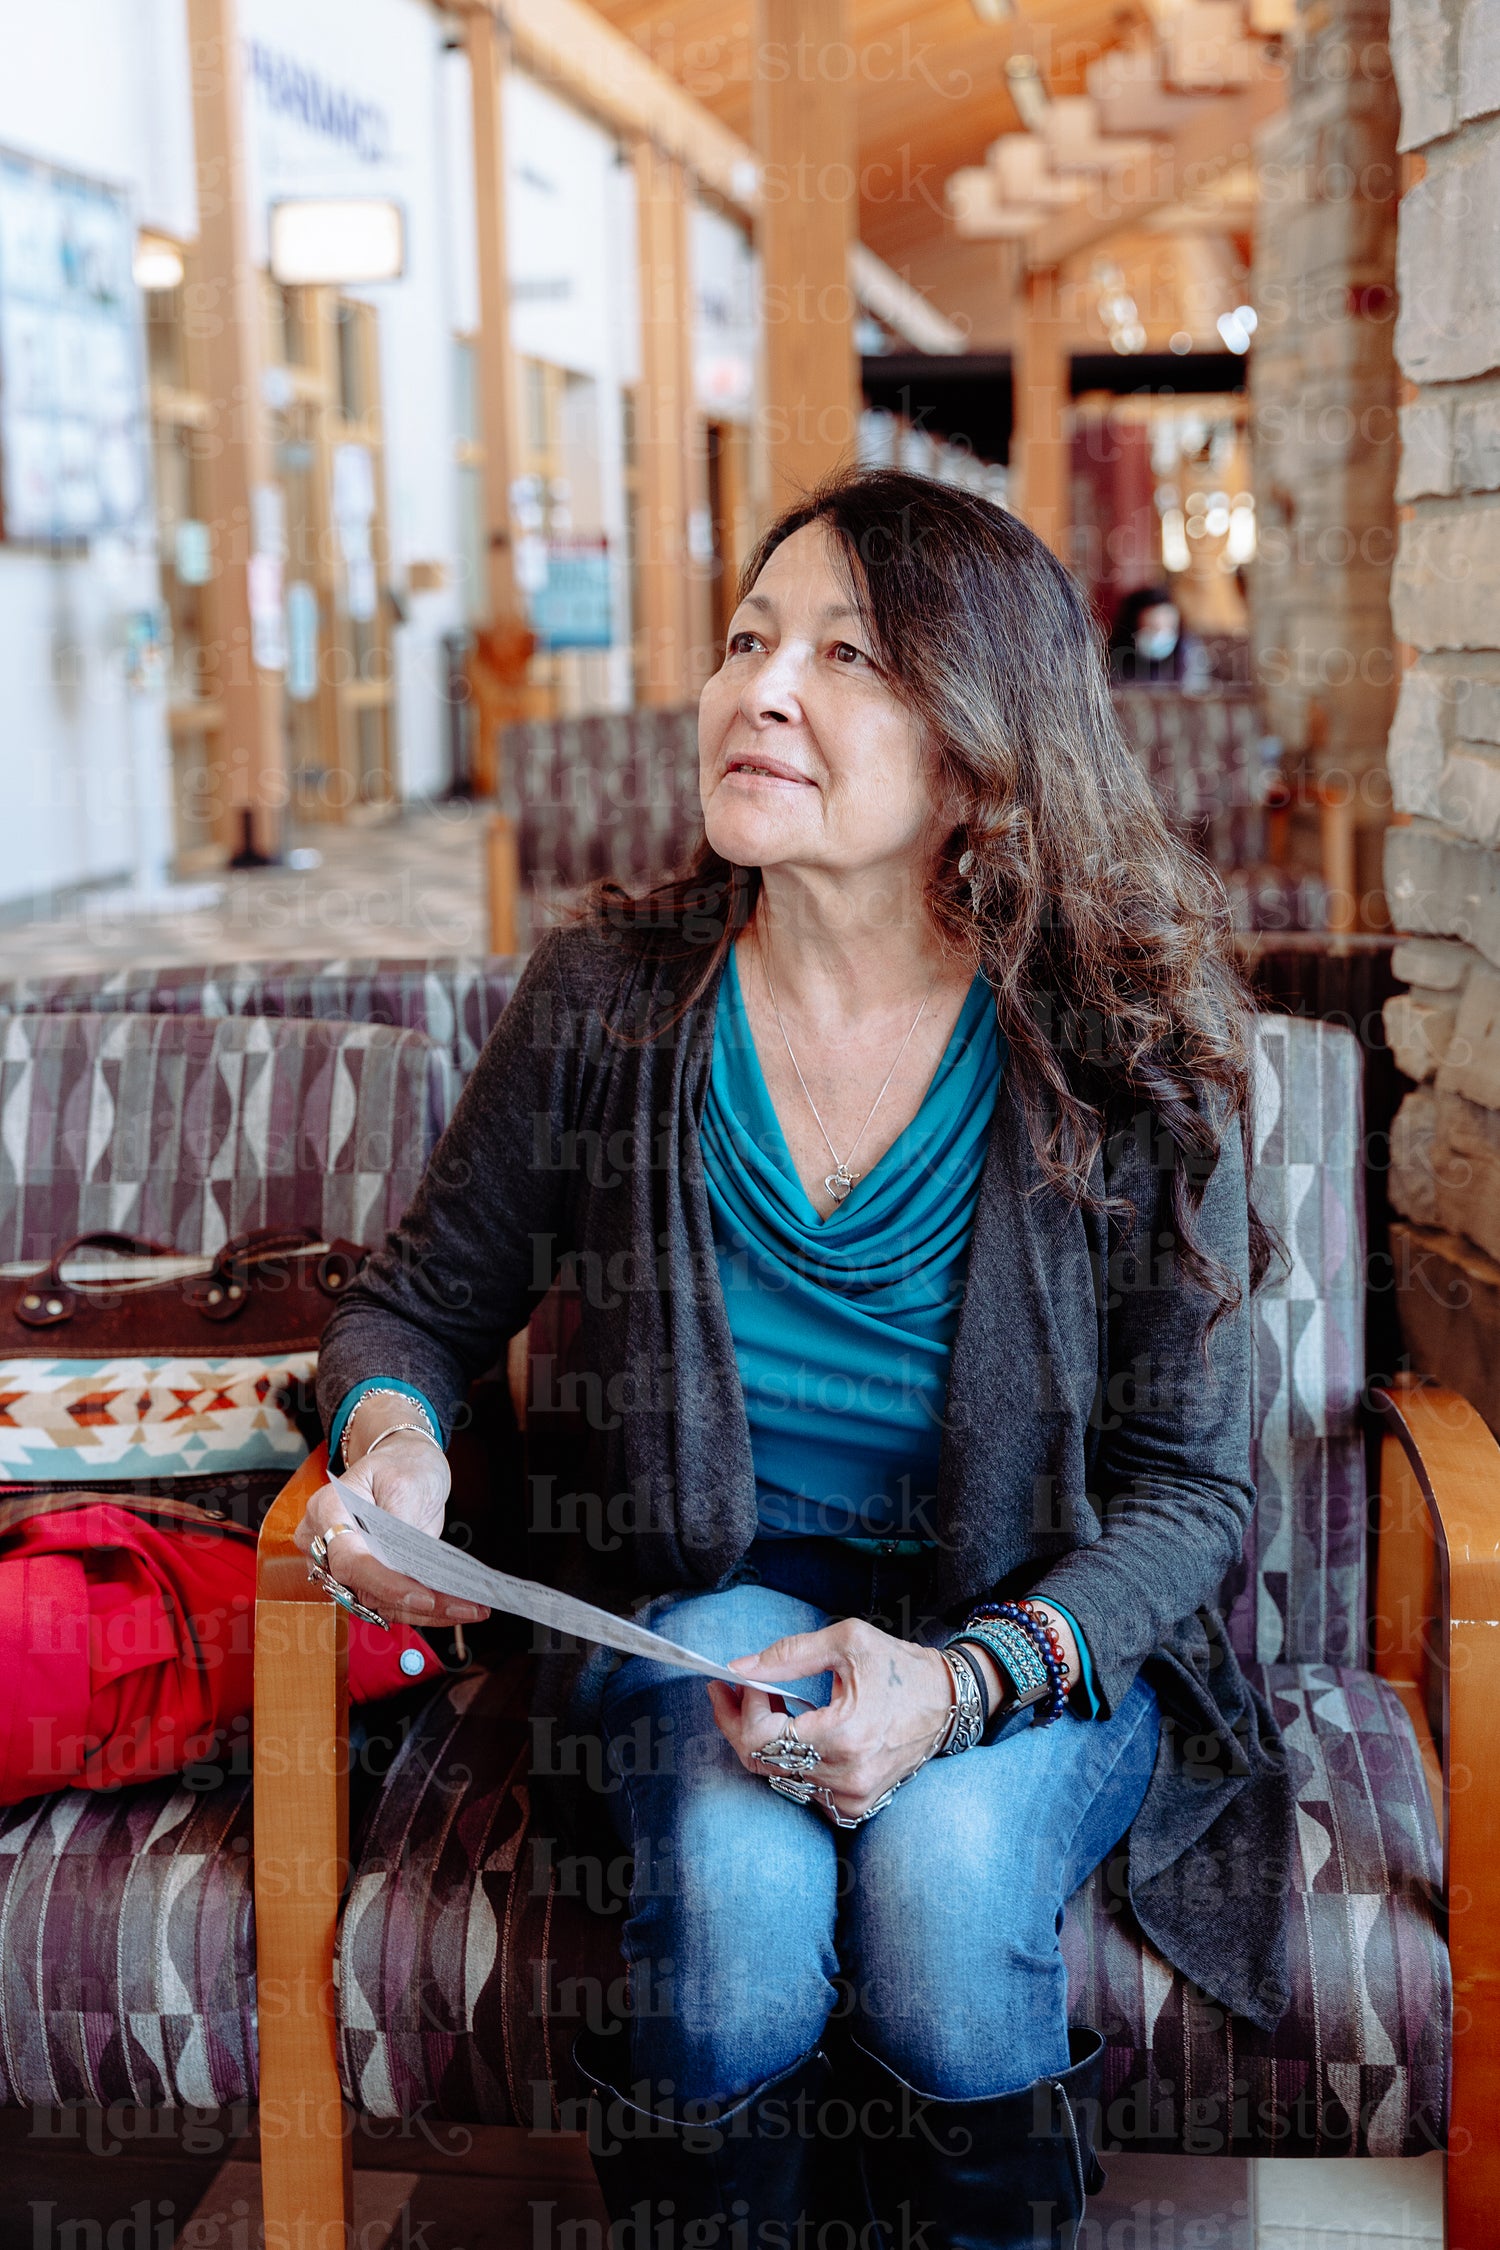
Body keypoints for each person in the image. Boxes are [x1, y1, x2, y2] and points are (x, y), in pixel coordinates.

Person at [298, 468, 1292, 2250]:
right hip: (693, 1610)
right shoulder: (614, 994)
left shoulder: (1110, 1040)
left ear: (985, 745)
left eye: (848, 657)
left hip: (1020, 1627)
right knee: (743, 1902)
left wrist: (969, 1677)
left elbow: (1192, 1487)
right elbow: (419, 1310)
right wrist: (397, 1455)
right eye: (751, 639)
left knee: (948, 1870)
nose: (761, 688)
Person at [1106, 583, 1210, 689]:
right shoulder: (1115, 655)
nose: (1161, 636)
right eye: (1152, 628)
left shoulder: (1189, 651)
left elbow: (1193, 693)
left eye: (1170, 628)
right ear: (1132, 628)